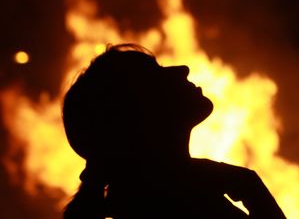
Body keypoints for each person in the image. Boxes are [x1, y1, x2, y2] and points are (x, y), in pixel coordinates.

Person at [62, 44, 286, 219]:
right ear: (140, 112)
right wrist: (251, 190)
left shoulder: (158, 199)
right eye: (155, 73)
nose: (182, 70)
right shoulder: (180, 206)